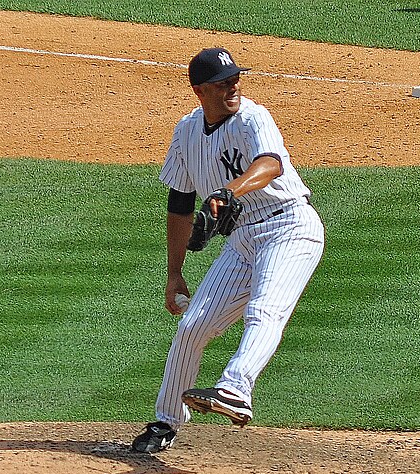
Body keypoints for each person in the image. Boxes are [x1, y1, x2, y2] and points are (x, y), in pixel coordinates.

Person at [132, 47, 325, 453]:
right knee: (192, 327)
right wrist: (174, 272)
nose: (234, 86)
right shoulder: (186, 131)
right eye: (223, 83)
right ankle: (165, 423)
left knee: (264, 310)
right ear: (200, 90)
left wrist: (229, 191)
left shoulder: (254, 117)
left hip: (289, 226)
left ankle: (235, 388)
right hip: (242, 239)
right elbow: (180, 203)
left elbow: (271, 163)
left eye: (236, 78)